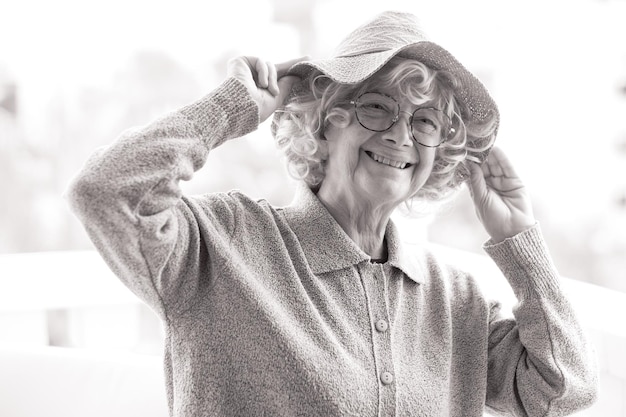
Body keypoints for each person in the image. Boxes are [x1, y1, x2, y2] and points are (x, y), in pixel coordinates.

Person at [67, 11, 597, 417]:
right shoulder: (223, 245)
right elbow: (106, 191)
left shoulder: (454, 299)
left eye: (426, 121)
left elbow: (564, 387)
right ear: (324, 124)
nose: (399, 134)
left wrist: (519, 240)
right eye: (376, 106)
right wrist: (231, 108)